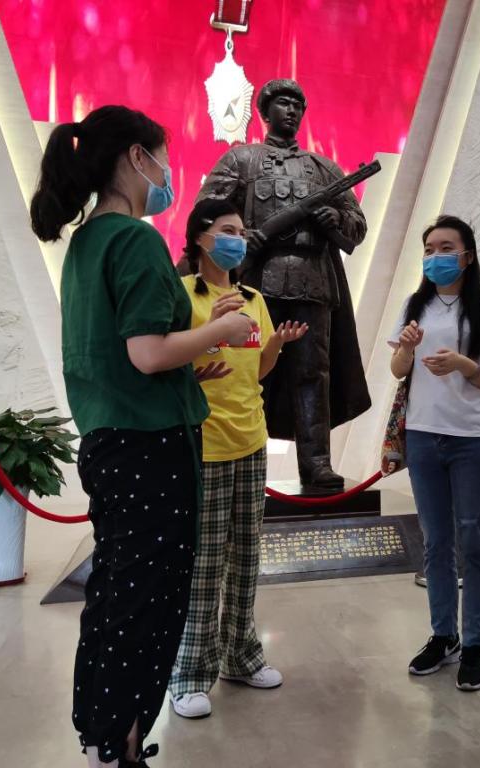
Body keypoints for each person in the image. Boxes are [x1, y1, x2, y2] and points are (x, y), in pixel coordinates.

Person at [30, 105, 255, 768]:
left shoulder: (86, 243)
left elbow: (124, 354)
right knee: (147, 603)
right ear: (136, 157)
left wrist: (192, 361)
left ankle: (101, 732)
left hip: (110, 441)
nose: (167, 172)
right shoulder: (134, 239)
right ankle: (121, 743)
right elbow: (147, 352)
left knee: (115, 592)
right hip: (151, 448)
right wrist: (221, 331)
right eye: (162, 156)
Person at [168, 197, 308, 719]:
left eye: (241, 231)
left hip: (251, 440)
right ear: (200, 237)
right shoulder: (183, 294)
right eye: (227, 230)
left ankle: (241, 656)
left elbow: (258, 367)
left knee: (246, 557)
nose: (237, 239)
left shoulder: (253, 298)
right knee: (205, 563)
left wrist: (277, 345)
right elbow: (167, 359)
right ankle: (188, 673)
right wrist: (204, 342)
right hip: (203, 443)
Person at [198, 78, 371, 490]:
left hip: (313, 283)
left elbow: (357, 226)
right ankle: (241, 459)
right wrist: (244, 237)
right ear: (264, 110)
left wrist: (336, 219)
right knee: (246, 371)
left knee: (313, 374)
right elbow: (205, 213)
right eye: (282, 103)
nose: (291, 110)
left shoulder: (323, 169)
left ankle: (317, 464)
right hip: (257, 283)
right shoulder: (240, 160)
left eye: (297, 104)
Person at [388, 215, 480, 692]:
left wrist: (464, 364)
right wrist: (406, 349)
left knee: (474, 539)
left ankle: (476, 642)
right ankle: (444, 635)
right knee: (436, 541)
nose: (435, 256)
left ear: (467, 255)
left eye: (446, 247)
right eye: (429, 249)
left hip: (471, 438)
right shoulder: (414, 305)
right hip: (423, 434)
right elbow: (398, 369)